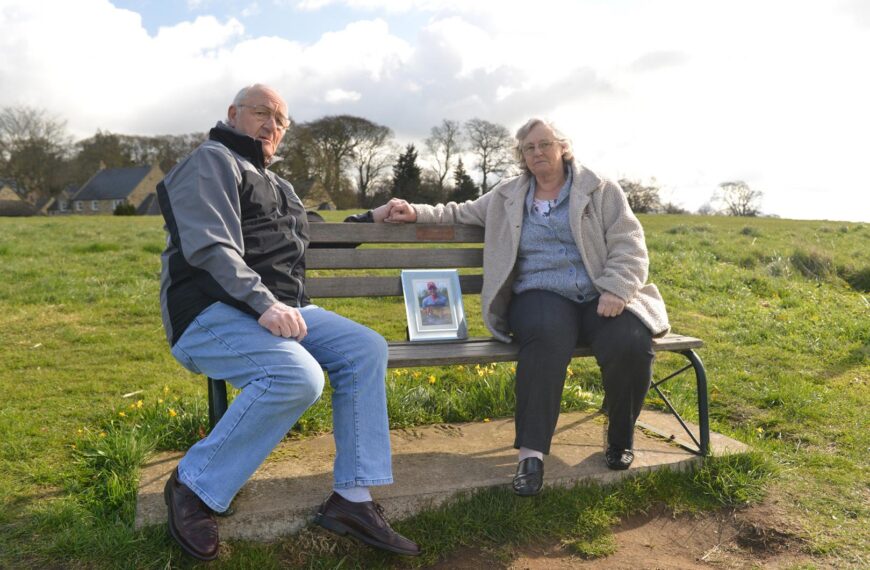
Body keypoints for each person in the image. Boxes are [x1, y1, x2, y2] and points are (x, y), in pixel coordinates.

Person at [156, 84, 420, 560]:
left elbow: (309, 237)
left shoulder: (278, 183)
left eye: (280, 120)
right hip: (211, 311)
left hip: (276, 309)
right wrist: (264, 305)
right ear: (233, 113)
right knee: (296, 375)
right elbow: (210, 248)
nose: (272, 126)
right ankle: (193, 486)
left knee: (365, 348)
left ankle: (353, 499)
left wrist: (371, 217)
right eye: (263, 113)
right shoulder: (211, 161)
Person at [372, 118, 669, 497]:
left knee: (630, 339)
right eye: (529, 148)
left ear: (563, 147)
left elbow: (629, 242)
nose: (537, 153)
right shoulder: (508, 195)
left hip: (600, 293)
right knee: (545, 338)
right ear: (522, 157)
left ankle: (620, 438)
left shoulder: (601, 189)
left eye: (544, 144)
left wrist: (616, 289)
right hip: (540, 293)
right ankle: (532, 455)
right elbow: (458, 212)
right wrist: (414, 212)